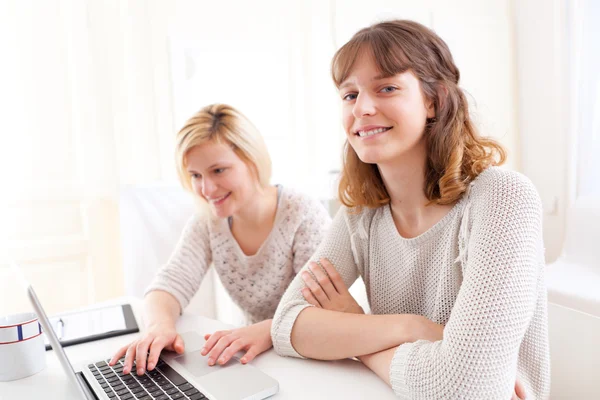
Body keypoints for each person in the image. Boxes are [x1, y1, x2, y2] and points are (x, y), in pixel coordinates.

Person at [270, 20, 550, 399]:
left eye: (386, 88)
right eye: (349, 95)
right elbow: (288, 325)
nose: (363, 108)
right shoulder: (360, 214)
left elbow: (463, 390)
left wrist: (355, 328)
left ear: (432, 101)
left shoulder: (502, 198)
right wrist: (413, 328)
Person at [110, 104, 331, 376]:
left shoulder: (302, 213)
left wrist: (265, 331)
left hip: (311, 355)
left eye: (218, 171)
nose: (206, 189)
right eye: (195, 175)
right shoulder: (208, 221)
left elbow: (317, 309)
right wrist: (159, 327)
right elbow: (169, 284)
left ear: (252, 161)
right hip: (256, 358)